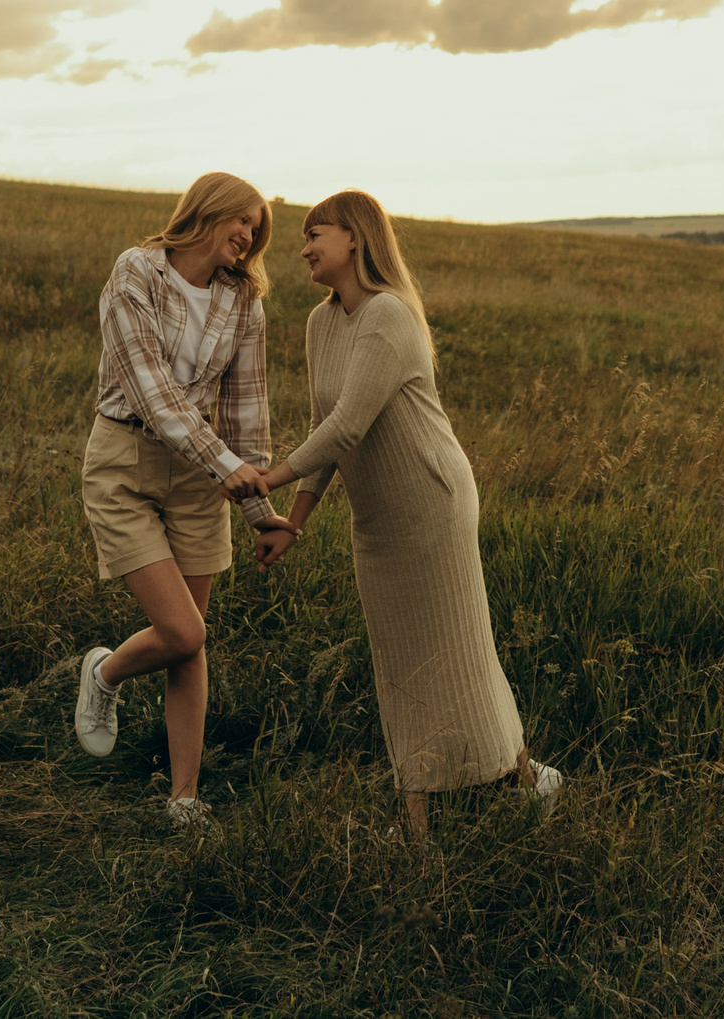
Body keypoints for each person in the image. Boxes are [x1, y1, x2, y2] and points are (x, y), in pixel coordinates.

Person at [231, 188, 559, 838]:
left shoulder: (389, 315)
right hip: (377, 522)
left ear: (354, 236)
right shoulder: (320, 323)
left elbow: (351, 425)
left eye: (314, 232)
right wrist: (292, 520)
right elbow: (329, 428)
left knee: (462, 656)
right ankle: (438, 817)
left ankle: (519, 783)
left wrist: (269, 473)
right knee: (401, 669)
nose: (302, 247)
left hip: (432, 506)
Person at [71, 171, 293, 828]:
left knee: (190, 645)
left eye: (256, 228)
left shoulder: (244, 299)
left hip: (202, 482)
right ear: (207, 211)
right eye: (242, 221)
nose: (249, 235)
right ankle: (106, 674)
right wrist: (224, 464)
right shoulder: (136, 271)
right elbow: (151, 392)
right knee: (183, 629)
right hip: (126, 463)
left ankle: (183, 797)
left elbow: (246, 409)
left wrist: (260, 510)